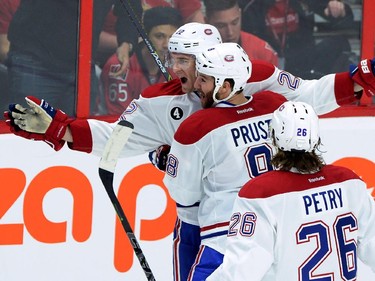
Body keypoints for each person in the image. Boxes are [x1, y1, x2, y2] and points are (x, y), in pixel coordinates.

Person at [4, 22, 374, 280]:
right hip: (210, 223)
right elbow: (117, 138)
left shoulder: (256, 76)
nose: (171, 66)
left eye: (182, 59)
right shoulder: (161, 103)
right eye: (172, 57)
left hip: (260, 222)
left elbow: (309, 95)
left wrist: (358, 81)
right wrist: (62, 130)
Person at [207, 100, 375, 280]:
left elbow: (241, 271)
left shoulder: (261, 194)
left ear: (274, 136)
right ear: (316, 136)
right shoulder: (349, 182)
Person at [5, 0, 142, 116]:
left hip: (82, 66)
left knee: (78, 140)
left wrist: (126, 42)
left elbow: (130, 8)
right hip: (35, 58)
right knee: (27, 138)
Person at [238, 0, 355, 78]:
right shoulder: (249, 5)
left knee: (339, 43)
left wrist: (340, 9)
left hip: (302, 62)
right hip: (267, 64)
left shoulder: (301, 2)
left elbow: (344, 18)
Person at [99, 6, 182, 115]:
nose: (166, 45)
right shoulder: (120, 65)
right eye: (159, 36)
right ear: (145, 36)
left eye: (172, 38)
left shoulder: (176, 67)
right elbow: (121, 121)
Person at [203, 0, 279, 66]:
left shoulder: (263, 53)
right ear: (206, 22)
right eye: (221, 26)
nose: (230, 32)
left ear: (240, 14)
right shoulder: (196, 55)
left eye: (235, 23)